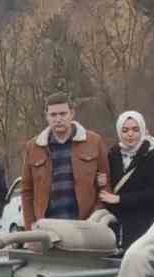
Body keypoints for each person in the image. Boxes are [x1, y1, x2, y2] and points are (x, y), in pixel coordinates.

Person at [21, 91, 110, 227]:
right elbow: (27, 192)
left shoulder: (94, 141)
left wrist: (95, 220)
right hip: (47, 228)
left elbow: (105, 185)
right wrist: (31, 229)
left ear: (72, 113)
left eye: (63, 114)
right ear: (46, 116)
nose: (58, 119)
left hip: (85, 227)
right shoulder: (33, 147)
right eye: (53, 115)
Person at [103, 110, 154, 250]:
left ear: (142, 130)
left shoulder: (152, 155)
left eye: (135, 129)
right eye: (125, 130)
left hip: (144, 223)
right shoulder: (113, 154)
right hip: (118, 224)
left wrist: (120, 199)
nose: (130, 134)